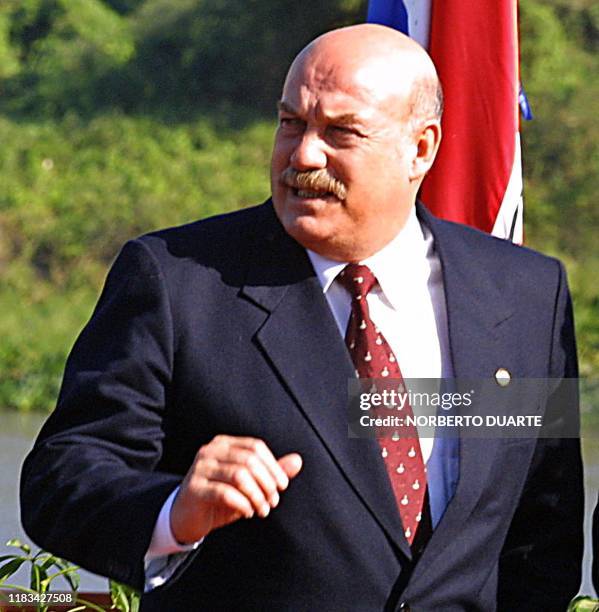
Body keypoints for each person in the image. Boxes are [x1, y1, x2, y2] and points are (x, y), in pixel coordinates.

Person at [20, 24, 583, 611]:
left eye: (341, 132)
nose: (305, 154)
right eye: (292, 123)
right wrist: (173, 512)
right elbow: (63, 478)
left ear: (421, 149)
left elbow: (544, 527)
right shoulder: (178, 279)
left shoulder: (525, 294)